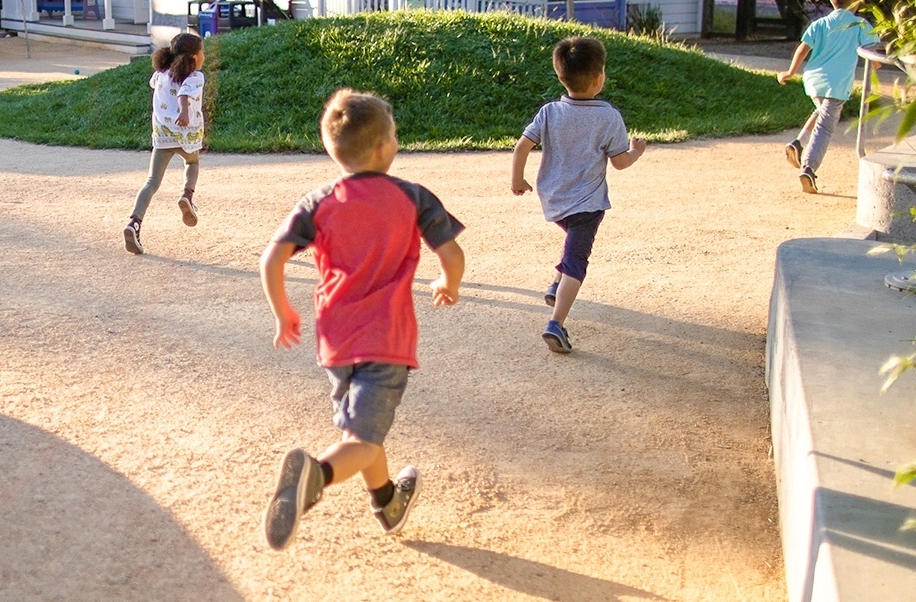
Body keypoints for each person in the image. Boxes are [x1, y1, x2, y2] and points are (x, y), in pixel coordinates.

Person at [259, 88, 465, 550]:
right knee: (363, 438)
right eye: (393, 137)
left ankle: (388, 502)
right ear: (381, 148)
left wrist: (283, 312)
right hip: (386, 339)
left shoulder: (319, 201)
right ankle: (318, 475)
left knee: (363, 432)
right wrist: (448, 283)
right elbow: (452, 253)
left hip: (335, 339)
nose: (396, 143)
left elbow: (271, 259)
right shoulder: (413, 197)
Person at [511, 36, 645, 354]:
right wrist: (636, 151)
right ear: (599, 79)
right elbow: (621, 162)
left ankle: (557, 285)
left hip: (553, 199)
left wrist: (518, 179)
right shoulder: (608, 117)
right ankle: (555, 324)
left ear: (561, 76)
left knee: (572, 245)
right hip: (587, 203)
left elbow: (522, 145)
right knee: (577, 260)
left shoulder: (549, 112)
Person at [777, 0, 878, 194]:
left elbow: (803, 49)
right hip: (837, 83)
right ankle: (809, 169)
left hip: (813, 79)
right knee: (825, 126)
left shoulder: (820, 23)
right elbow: (874, 57)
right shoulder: (861, 24)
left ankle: (798, 143)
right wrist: (879, 61)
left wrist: (790, 72)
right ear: (858, 1)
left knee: (821, 112)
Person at [124, 32, 206, 255]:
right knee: (192, 163)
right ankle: (187, 196)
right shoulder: (195, 77)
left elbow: (156, 83)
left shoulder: (160, 74)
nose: (203, 56)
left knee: (151, 182)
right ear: (193, 58)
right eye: (202, 53)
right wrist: (184, 110)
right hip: (185, 135)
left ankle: (134, 223)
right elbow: (184, 94)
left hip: (162, 136)